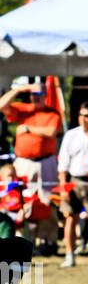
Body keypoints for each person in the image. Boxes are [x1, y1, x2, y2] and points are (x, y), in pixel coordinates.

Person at [0, 78, 63, 250]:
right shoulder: (24, 110)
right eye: (33, 95)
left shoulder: (52, 113)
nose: (35, 98)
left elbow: (51, 132)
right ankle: (25, 239)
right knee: (22, 199)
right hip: (24, 162)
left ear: (45, 96)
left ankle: (48, 240)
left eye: (39, 95)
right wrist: (22, 89)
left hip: (46, 162)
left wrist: (29, 129)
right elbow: (1, 105)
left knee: (48, 201)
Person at [57, 102, 88, 267]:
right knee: (70, 218)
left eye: (87, 116)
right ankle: (70, 255)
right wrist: (63, 187)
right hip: (74, 180)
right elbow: (63, 163)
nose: (83, 119)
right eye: (81, 115)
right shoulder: (71, 135)